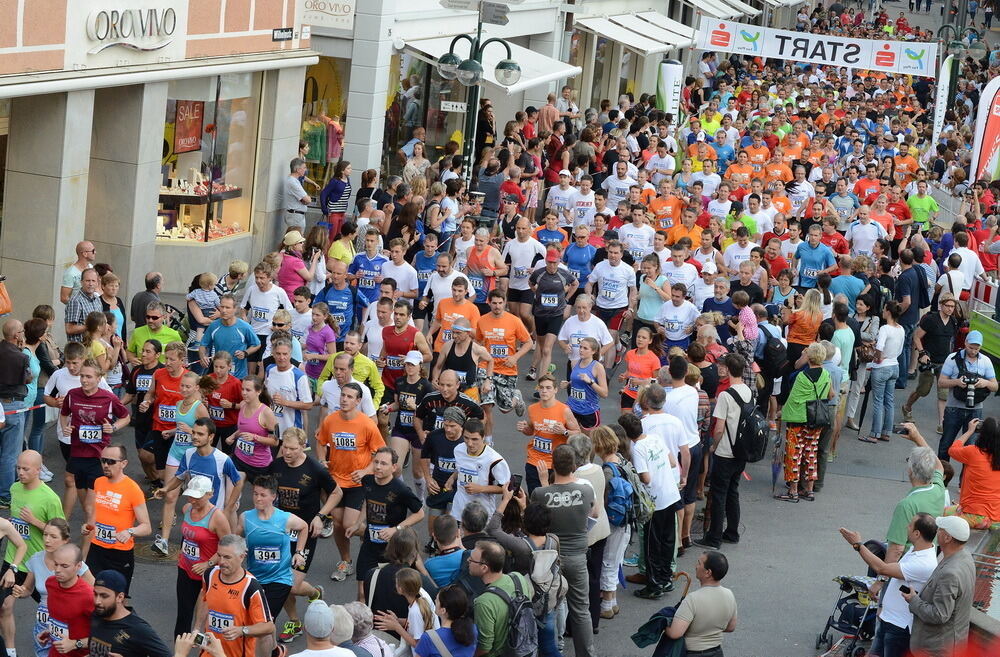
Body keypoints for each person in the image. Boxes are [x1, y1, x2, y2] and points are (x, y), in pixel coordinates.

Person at [839, 513, 938, 657]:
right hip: (888, 619)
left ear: (917, 533)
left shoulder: (924, 563)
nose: (907, 527)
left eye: (910, 525)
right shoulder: (917, 550)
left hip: (899, 628)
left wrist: (858, 545)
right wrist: (882, 606)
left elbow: (882, 569)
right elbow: (892, 573)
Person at [531, 444, 597, 657]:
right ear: (575, 466)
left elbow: (538, 514)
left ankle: (552, 650)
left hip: (551, 558)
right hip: (578, 557)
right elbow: (594, 512)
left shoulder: (540, 492)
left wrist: (543, 482)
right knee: (580, 610)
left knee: (549, 606)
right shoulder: (586, 490)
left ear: (552, 465)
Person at [316, 382, 386, 582]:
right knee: (338, 524)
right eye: (343, 395)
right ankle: (346, 561)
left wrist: (365, 471)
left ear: (358, 401)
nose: (345, 399)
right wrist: (322, 461)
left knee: (349, 524)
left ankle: (381, 538)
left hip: (357, 483)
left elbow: (381, 454)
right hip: (336, 482)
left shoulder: (366, 424)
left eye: (349, 397)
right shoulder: (330, 420)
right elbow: (321, 443)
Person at [236, 474, 311, 657]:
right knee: (264, 620)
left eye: (262, 495)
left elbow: (304, 527)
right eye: (255, 494)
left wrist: (299, 553)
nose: (258, 498)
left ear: (273, 497)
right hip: (254, 578)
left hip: (280, 579)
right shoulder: (246, 518)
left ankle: (267, 653)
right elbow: (236, 539)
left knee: (264, 621)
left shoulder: (284, 519)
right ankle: (276, 650)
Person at [2, 450, 63, 651]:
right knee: (4, 607)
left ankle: (59, 647)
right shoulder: (14, 488)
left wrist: (34, 521)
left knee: (54, 611)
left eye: (25, 469)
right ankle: (10, 651)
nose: (20, 472)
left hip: (39, 564)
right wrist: (14, 526)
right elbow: (16, 525)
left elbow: (61, 533)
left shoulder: (50, 498)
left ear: (38, 470)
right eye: (18, 468)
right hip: (14, 560)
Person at [347, 447, 424, 600]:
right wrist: (357, 524)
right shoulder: (367, 481)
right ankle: (363, 623)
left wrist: (396, 529)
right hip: (370, 545)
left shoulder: (401, 489)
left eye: (383, 463)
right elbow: (367, 503)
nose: (378, 467)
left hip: (393, 548)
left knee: (394, 592)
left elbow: (420, 513)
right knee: (362, 592)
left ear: (394, 467)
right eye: (376, 462)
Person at [12, 518, 95, 657]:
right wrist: (21, 591)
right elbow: (28, 589)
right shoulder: (47, 577)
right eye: (45, 535)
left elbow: (107, 639)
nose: (47, 540)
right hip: (46, 627)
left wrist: (77, 643)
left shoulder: (85, 588)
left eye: (53, 536)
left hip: (74, 641)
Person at [620, 412, 679, 599]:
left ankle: (654, 585)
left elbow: (645, 478)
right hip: (670, 494)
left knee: (651, 544)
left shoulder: (637, 449)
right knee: (668, 539)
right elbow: (672, 462)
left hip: (655, 500)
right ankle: (666, 577)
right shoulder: (655, 438)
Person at [696, 353, 750, 549]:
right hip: (741, 450)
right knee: (732, 491)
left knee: (718, 494)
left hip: (726, 450)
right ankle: (732, 532)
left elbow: (718, 428)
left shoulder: (726, 395)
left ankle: (714, 537)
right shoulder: (747, 390)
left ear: (727, 369)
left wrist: (714, 446)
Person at [82, 444, 152, 595]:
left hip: (119, 554)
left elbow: (146, 527)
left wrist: (130, 531)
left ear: (124, 464)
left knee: (118, 599)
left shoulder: (133, 489)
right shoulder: (98, 482)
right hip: (96, 550)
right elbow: (95, 515)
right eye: (103, 461)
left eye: (111, 462)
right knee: (91, 593)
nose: (106, 465)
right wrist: (88, 526)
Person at [902, 516, 976, 657]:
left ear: (947, 538)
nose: (937, 532)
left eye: (940, 529)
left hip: (936, 649)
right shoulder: (966, 558)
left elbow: (939, 614)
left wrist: (913, 600)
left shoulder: (950, 573)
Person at [194, 534, 275, 657]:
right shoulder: (209, 575)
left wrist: (242, 631)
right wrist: (196, 628)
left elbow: (268, 627)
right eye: (219, 556)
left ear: (241, 557)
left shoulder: (251, 587)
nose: (221, 562)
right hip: (209, 652)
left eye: (227, 557)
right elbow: (204, 599)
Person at [173, 474, 232, 638]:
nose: (192, 500)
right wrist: (181, 551)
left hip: (208, 575)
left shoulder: (217, 517)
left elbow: (228, 546)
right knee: (183, 615)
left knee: (207, 620)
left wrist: (208, 564)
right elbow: (187, 535)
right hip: (185, 568)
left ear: (209, 494)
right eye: (190, 495)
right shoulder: (187, 509)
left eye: (197, 497)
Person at [776, 343, 832, 502]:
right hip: (816, 419)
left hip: (798, 420)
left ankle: (793, 491)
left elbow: (793, 399)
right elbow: (830, 394)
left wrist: (780, 413)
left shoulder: (801, 377)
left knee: (794, 455)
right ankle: (809, 489)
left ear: (809, 357)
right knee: (811, 453)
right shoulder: (826, 374)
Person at [936, 330, 998, 459]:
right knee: (946, 444)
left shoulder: (985, 361)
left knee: (971, 448)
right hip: (954, 408)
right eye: (971, 347)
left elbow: (995, 386)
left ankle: (965, 479)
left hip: (975, 410)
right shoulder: (953, 358)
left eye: (977, 348)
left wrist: (985, 382)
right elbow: (941, 382)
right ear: (965, 343)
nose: (973, 351)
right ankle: (941, 475)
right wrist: (957, 382)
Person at [663, 551, 738, 656]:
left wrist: (663, 623)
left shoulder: (692, 599)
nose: (696, 566)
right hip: (717, 653)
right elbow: (731, 627)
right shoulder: (729, 595)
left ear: (708, 572)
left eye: (699, 563)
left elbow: (675, 633)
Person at [468, 540, 534, 657]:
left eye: (472, 560)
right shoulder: (518, 578)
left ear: (484, 568)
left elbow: (485, 647)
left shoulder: (483, 602)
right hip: (524, 648)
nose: (468, 560)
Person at [517, 374, 580, 492]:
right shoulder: (532, 408)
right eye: (541, 387)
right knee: (535, 496)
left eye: (548, 388)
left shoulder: (564, 410)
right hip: (534, 460)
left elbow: (578, 433)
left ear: (555, 390)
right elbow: (532, 430)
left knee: (553, 499)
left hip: (556, 463)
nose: (544, 391)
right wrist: (524, 429)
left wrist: (564, 432)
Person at [90, 569, 172, 657]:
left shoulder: (138, 628)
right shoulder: (98, 614)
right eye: (95, 594)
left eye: (104, 596)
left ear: (120, 597)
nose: (97, 601)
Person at [37, 544, 93, 657]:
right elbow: (64, 619)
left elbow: (107, 640)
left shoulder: (89, 596)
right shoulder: (50, 583)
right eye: (56, 564)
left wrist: (75, 644)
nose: (57, 570)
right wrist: (50, 631)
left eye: (64, 566)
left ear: (78, 566)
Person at [861, 300, 904, 444]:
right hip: (894, 365)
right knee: (889, 401)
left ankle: (874, 433)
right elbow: (899, 350)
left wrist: (878, 357)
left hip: (882, 367)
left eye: (885, 309)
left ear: (888, 312)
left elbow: (879, 346)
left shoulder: (885, 328)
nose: (883, 311)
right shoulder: (901, 329)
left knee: (878, 401)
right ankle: (886, 432)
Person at [944, 417, 1000, 527]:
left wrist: (969, 431)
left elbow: (952, 450)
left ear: (982, 435)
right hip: (996, 515)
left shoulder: (973, 452)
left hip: (976, 515)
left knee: (939, 514)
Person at [449, 418, 510, 519]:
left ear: (483, 437)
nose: (469, 443)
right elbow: (461, 468)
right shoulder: (458, 449)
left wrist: (481, 489)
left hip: (482, 514)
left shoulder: (495, 460)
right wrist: (452, 478)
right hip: (459, 511)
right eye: (466, 438)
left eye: (474, 439)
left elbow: (506, 488)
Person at [199, 295, 261, 379]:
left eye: (228, 307)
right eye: (222, 307)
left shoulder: (244, 327)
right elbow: (203, 344)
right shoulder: (214, 326)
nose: (224, 310)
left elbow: (257, 344)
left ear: (235, 309)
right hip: (219, 374)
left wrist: (245, 353)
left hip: (238, 375)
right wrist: (203, 356)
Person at [414, 585, 477, 657]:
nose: (434, 601)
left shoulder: (428, 638)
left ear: (443, 610)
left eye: (437, 600)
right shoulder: (472, 629)